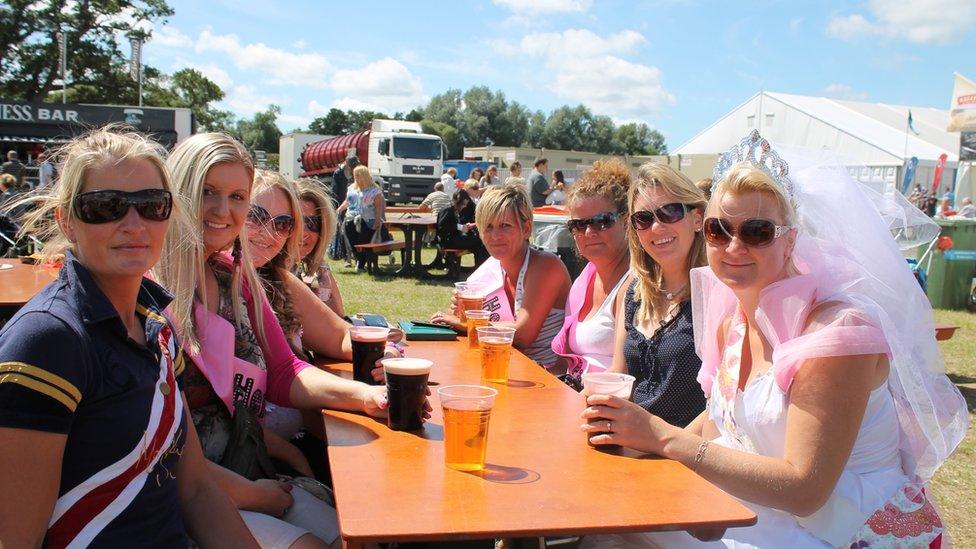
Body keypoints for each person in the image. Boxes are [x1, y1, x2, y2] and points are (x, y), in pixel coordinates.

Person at [581, 132, 967, 548]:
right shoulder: (733, 320)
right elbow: (716, 422)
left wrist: (661, 437)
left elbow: (805, 489)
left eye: (758, 231)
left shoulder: (838, 332)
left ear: (791, 240)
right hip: (761, 511)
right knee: (611, 519)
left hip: (843, 529)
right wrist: (639, 448)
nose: (733, 246)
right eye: (718, 229)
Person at [0, 128, 257, 547]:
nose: (134, 224)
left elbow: (195, 490)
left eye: (152, 205)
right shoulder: (47, 342)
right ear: (67, 220)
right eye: (105, 207)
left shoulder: (156, 326)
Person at [156, 132, 392, 549]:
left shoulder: (237, 278)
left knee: (363, 535)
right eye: (207, 192)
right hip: (181, 491)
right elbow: (160, 446)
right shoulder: (148, 290)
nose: (222, 210)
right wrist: (254, 493)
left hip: (245, 468)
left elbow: (285, 371)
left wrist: (366, 396)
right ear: (178, 190)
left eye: (236, 197)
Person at [603, 163, 707, 426]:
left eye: (670, 212)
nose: (657, 227)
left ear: (697, 219)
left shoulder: (718, 295)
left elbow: (722, 404)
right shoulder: (635, 292)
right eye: (644, 219)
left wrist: (662, 443)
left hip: (684, 455)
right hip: (629, 446)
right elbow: (618, 374)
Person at [432, 183, 571, 367]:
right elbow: (454, 319)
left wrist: (468, 323)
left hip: (548, 378)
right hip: (505, 368)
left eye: (505, 226)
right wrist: (458, 312)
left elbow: (522, 335)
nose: (495, 235)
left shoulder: (545, 265)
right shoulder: (489, 269)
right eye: (488, 227)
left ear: (526, 229)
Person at [550, 159, 632, 379]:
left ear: (625, 221)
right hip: (574, 391)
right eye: (578, 224)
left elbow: (621, 376)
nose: (588, 232)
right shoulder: (583, 281)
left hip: (607, 402)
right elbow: (563, 364)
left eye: (601, 221)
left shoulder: (636, 284)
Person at [295, 178, 345, 317]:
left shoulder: (295, 270)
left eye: (313, 223)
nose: (303, 232)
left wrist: (320, 263)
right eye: (296, 221)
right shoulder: (275, 275)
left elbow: (338, 313)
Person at [337, 165, 387, 272]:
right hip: (350, 218)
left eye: (358, 175)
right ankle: (359, 260)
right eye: (355, 175)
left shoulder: (375, 191)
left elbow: (379, 207)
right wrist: (340, 209)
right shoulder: (351, 188)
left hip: (368, 220)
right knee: (352, 241)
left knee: (363, 241)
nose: (356, 177)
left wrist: (378, 220)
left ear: (365, 176)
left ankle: (361, 263)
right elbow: (347, 201)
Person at [436, 189, 489, 265]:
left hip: (453, 238)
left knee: (479, 244)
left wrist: (463, 227)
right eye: (463, 204)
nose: (464, 207)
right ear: (458, 202)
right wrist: (460, 227)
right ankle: (480, 267)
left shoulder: (454, 209)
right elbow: (442, 226)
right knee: (478, 241)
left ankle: (480, 267)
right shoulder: (447, 209)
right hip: (448, 241)